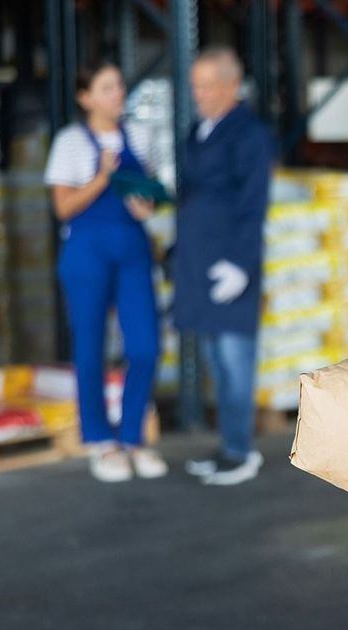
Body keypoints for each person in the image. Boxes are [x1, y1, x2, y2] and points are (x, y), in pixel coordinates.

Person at [45, 60, 167, 483]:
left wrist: (145, 205)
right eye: (107, 87)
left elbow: (147, 194)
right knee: (89, 348)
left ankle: (132, 435)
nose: (117, 94)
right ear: (86, 97)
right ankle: (100, 439)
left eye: (119, 86)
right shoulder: (70, 143)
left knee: (146, 345)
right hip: (86, 253)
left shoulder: (141, 137)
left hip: (132, 249)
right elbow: (62, 207)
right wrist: (101, 178)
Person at [174, 47, 273, 486]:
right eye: (195, 85)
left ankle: (242, 452)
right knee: (216, 360)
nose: (198, 93)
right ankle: (228, 444)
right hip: (199, 261)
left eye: (207, 85)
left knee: (236, 362)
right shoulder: (199, 130)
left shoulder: (248, 134)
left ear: (231, 85)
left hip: (231, 265)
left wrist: (239, 264)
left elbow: (253, 205)